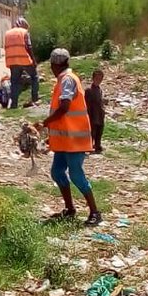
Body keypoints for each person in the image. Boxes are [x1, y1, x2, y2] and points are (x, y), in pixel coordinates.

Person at [37, 48, 101, 226]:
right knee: (57, 173)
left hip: (75, 140)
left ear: (54, 65)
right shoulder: (63, 79)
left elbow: (64, 107)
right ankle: (70, 209)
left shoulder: (67, 80)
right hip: (65, 140)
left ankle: (95, 212)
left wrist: (45, 122)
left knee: (76, 175)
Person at [4, 17, 39, 109]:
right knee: (34, 77)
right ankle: (35, 98)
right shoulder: (24, 32)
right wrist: (34, 60)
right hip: (24, 59)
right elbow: (29, 47)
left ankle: (14, 104)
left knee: (14, 82)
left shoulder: (7, 33)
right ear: (23, 25)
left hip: (12, 61)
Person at [84, 69, 105, 154]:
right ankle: (88, 146)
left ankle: (97, 146)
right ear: (93, 78)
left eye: (100, 79)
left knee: (99, 131)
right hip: (92, 114)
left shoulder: (99, 89)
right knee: (92, 131)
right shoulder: (89, 90)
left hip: (99, 114)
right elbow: (86, 104)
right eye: (97, 78)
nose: (99, 80)